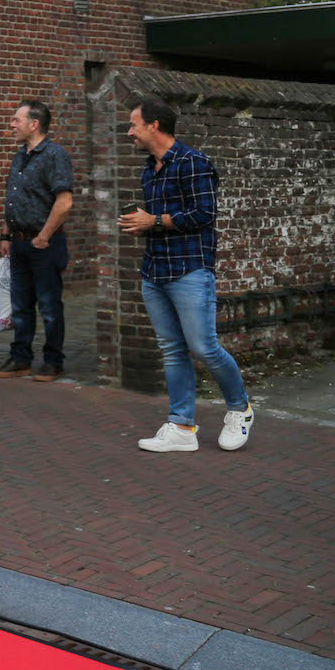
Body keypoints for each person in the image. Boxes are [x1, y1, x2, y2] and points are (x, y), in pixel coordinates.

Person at [122, 97, 253, 453]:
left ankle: (240, 409)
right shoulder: (149, 169)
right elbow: (163, 221)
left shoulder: (193, 162)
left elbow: (204, 214)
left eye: (134, 124)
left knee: (203, 347)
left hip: (190, 270)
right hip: (155, 271)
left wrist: (154, 221)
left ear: (154, 125)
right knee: (173, 350)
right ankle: (181, 426)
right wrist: (142, 225)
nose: (129, 131)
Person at [0, 99, 74, 380]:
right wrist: (6, 234)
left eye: (17, 120)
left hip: (44, 244)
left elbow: (64, 202)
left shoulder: (55, 155)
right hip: (19, 243)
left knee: (49, 306)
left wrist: (43, 237)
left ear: (34, 124)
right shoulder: (20, 156)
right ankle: (21, 358)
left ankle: (53, 361)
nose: (12, 124)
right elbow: (14, 198)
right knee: (20, 305)